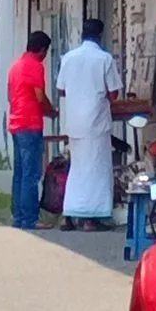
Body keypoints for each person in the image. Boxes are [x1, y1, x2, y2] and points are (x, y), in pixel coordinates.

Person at [56, 17, 120, 227]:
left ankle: (70, 213)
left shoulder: (69, 58)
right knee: (96, 170)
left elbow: (61, 90)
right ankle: (90, 219)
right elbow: (114, 94)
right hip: (96, 124)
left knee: (78, 168)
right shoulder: (104, 59)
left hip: (75, 123)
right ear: (100, 37)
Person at [6, 29, 51, 234]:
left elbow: (9, 94)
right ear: (42, 50)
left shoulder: (15, 66)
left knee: (20, 173)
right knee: (31, 174)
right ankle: (30, 218)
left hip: (16, 123)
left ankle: (18, 216)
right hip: (30, 124)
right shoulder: (35, 66)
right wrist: (52, 112)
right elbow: (40, 97)